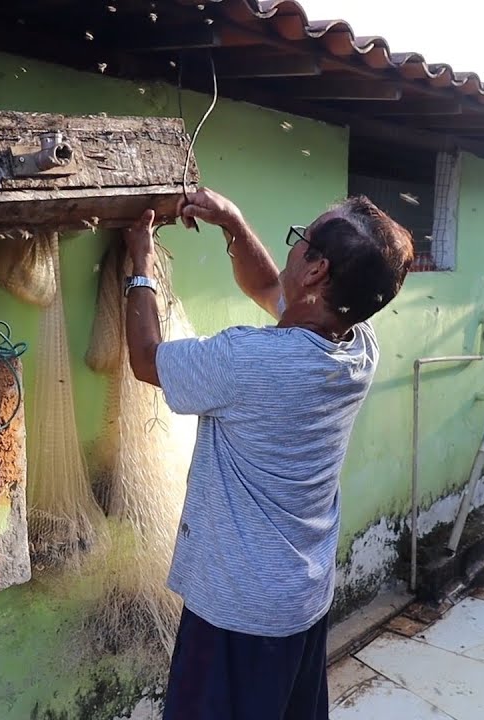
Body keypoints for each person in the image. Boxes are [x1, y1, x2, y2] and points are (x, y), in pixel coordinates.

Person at [121, 188, 414, 720]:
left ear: (317, 270)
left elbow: (145, 359)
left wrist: (140, 264)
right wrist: (233, 222)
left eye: (302, 238)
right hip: (301, 598)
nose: (293, 246)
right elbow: (265, 287)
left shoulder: (249, 360)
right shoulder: (357, 345)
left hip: (238, 611)